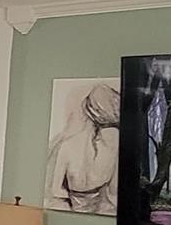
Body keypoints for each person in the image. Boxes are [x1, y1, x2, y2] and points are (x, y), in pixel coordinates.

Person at [45, 81, 120, 214]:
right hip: (105, 212)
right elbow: (114, 192)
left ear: (87, 111)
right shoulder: (112, 148)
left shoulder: (66, 145)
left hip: (73, 210)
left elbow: (56, 190)